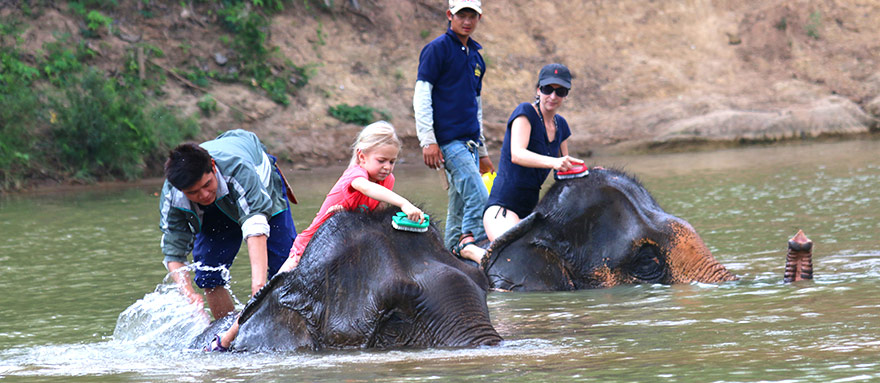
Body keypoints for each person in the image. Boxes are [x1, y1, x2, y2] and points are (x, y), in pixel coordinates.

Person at [207, 121, 424, 351]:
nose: (387, 167)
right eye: (381, 161)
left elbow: (376, 212)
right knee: (268, 292)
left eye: (392, 161)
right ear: (361, 157)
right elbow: (366, 189)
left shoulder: (386, 182)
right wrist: (403, 202)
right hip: (308, 247)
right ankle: (227, 337)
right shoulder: (355, 175)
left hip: (347, 246)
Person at [159, 129, 297, 322]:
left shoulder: (240, 171)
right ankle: (228, 337)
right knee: (209, 274)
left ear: (213, 167)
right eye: (193, 192)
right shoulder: (172, 196)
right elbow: (173, 252)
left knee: (284, 269)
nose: (204, 195)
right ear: (181, 190)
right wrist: (189, 295)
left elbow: (256, 228)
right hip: (215, 209)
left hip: (260, 191)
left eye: (207, 184)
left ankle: (289, 328)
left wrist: (258, 290)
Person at [414, 0, 495, 265]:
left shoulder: (476, 57)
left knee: (460, 203)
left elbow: (476, 106)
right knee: (479, 197)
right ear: (450, 15)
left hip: (470, 142)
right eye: (462, 15)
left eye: (473, 15)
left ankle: (450, 254)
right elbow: (422, 95)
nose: (467, 20)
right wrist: (428, 140)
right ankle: (476, 251)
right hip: (448, 140)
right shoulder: (436, 49)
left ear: (479, 18)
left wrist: (482, 151)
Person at [483, 63, 584, 242]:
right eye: (547, 89)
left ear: (566, 95)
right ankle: (467, 249)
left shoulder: (561, 125)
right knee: (512, 257)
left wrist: (591, 174)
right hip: (503, 208)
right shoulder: (525, 112)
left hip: (532, 212)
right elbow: (517, 154)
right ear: (538, 90)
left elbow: (565, 172)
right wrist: (553, 162)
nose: (553, 96)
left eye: (560, 92)